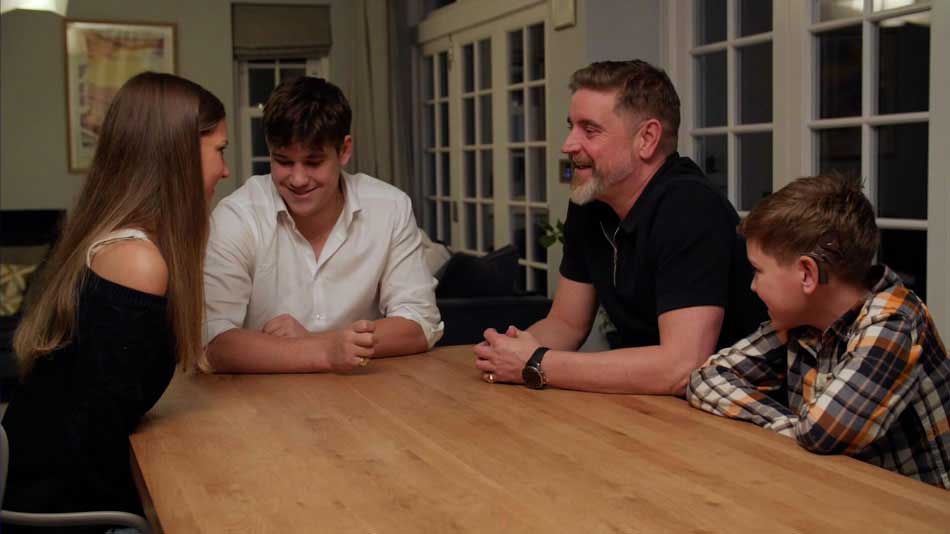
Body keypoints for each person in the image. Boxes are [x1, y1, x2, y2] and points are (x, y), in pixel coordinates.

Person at [2, 72, 230, 522]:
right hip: (56, 513)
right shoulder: (136, 262)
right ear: (179, 155)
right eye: (219, 150)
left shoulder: (117, 242)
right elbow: (90, 442)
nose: (225, 169)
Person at [474, 59, 765, 394]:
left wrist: (535, 362)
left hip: (733, 410)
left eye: (590, 130)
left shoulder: (689, 206)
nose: (568, 145)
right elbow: (566, 323)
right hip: (648, 405)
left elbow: (681, 366)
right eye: (571, 126)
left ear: (647, 139)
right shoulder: (591, 200)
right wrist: (505, 351)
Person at [687, 174, 949, 489]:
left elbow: (820, 433)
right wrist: (791, 427)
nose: (752, 286)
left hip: (921, 512)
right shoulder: (803, 319)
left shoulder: (895, 322)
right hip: (844, 493)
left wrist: (796, 431)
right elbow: (707, 377)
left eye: (758, 270)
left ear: (807, 274)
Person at [200, 76, 441, 374]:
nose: (298, 179)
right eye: (283, 161)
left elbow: (420, 323)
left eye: (313, 163)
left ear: (344, 150)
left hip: (365, 396)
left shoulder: (390, 207)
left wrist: (318, 342)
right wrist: (326, 351)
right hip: (259, 401)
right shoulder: (236, 216)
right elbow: (216, 342)